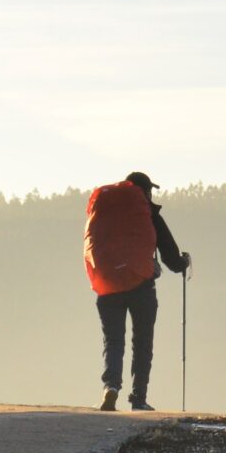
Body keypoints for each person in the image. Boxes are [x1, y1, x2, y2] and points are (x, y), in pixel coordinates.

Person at [87, 171, 190, 412]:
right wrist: (183, 263)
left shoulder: (104, 212)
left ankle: (110, 387)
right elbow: (171, 257)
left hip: (107, 285)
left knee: (113, 341)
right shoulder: (148, 214)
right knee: (142, 342)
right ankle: (139, 398)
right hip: (141, 287)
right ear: (143, 191)